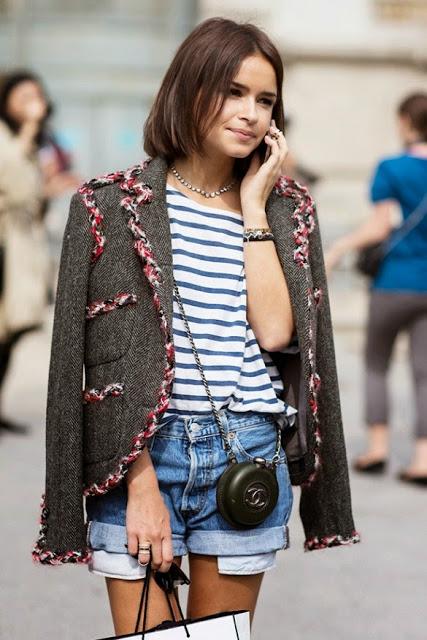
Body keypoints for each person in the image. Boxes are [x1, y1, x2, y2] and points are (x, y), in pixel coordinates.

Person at [33, 18, 360, 635]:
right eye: (234, 92)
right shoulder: (111, 205)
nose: (251, 114)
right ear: (190, 87)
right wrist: (139, 483)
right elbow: (83, 359)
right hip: (142, 451)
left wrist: (257, 207)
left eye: (265, 100)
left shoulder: (288, 210)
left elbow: (274, 335)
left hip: (246, 449)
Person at [326, 93, 427, 486]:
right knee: (424, 373)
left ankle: (378, 450)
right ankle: (422, 459)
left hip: (392, 284)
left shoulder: (391, 167)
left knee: (376, 364)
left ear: (405, 122)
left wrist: (339, 246)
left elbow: (380, 226)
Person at [0, 71, 52, 434]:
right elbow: (15, 189)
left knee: (10, 335)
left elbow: (32, 201)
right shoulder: (10, 140)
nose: (32, 102)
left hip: (19, 249)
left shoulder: (31, 143)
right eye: (23, 96)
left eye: (36, 95)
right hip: (4, 248)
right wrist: (30, 132)